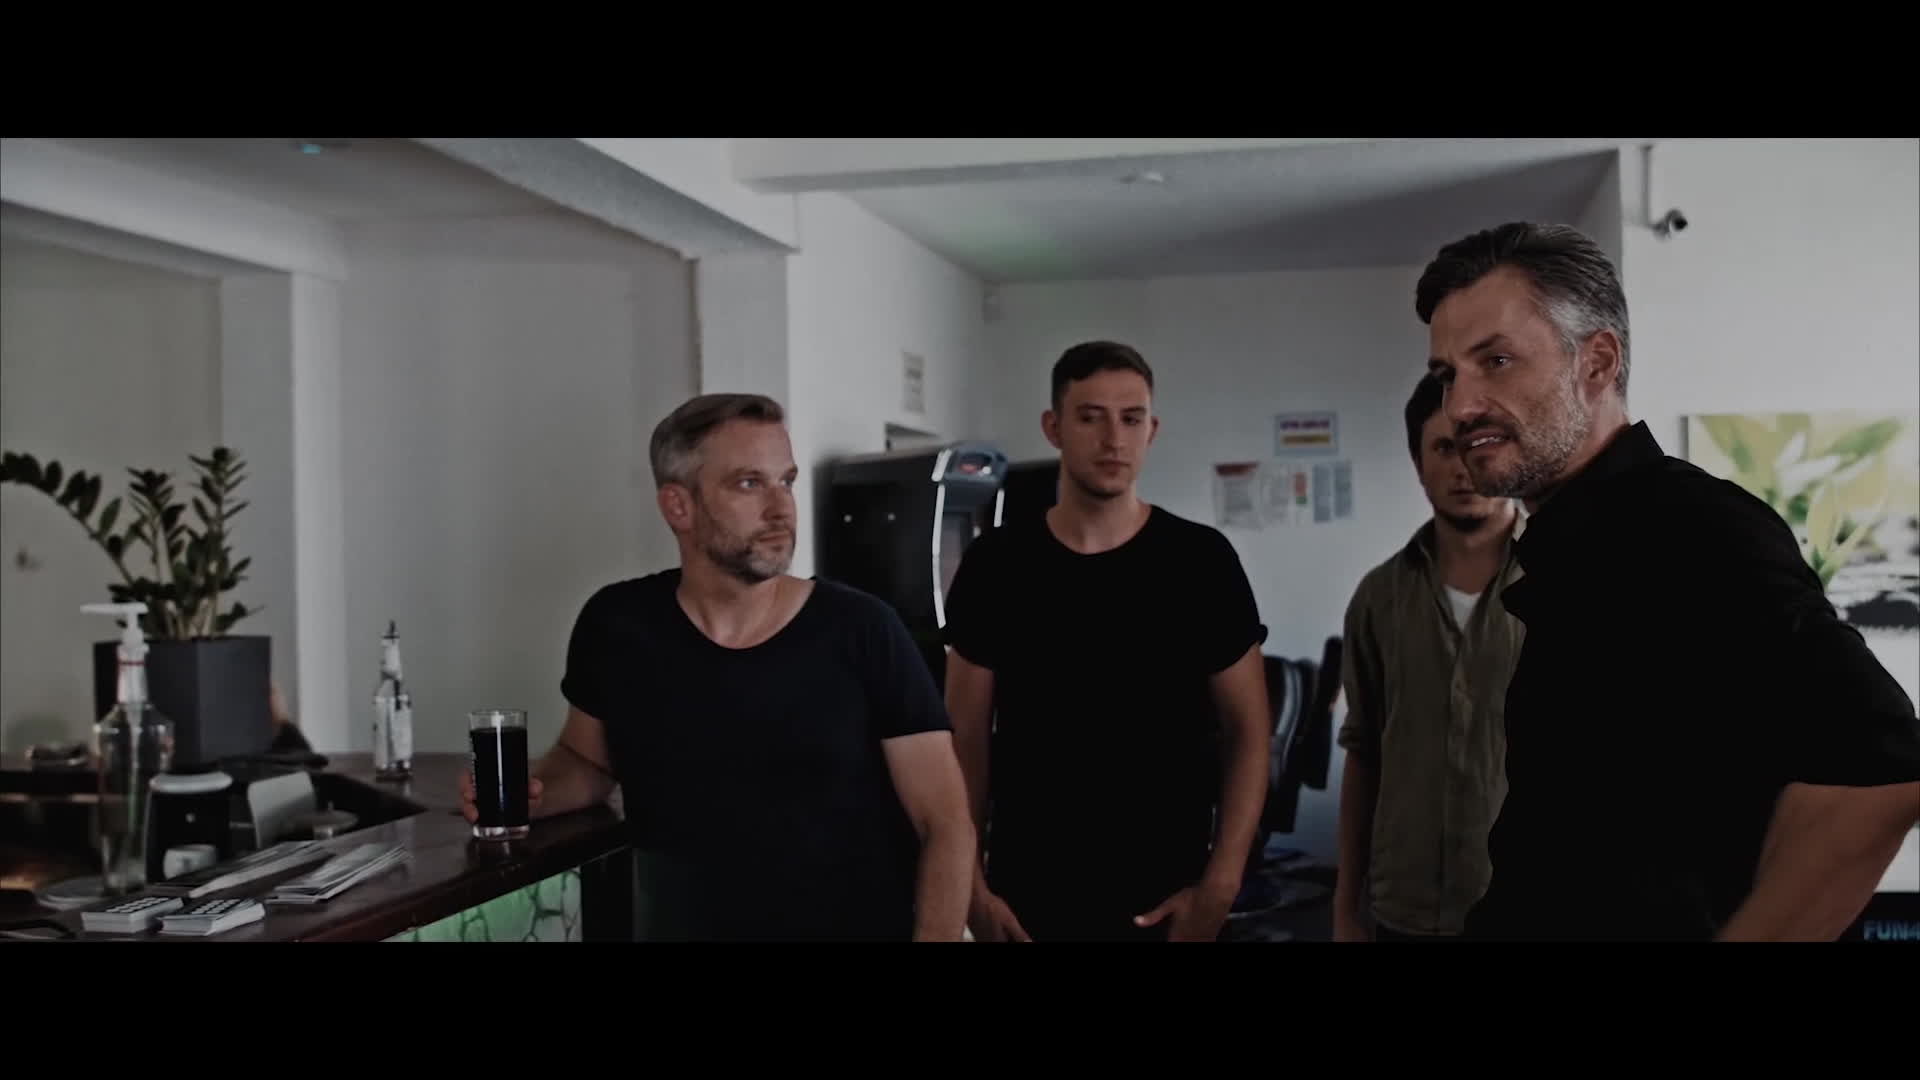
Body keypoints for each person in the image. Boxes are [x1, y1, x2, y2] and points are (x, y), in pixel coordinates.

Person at [1415, 221, 1920, 941]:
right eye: (1447, 376)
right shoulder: (1575, 548)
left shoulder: (1688, 527)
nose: (1460, 406)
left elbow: (1881, 766)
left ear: (1597, 363)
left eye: (1495, 360)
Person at [461, 393, 975, 941]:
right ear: (678, 506)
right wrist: (533, 792)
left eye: (786, 481)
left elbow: (945, 824)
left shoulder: (864, 631)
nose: (781, 510)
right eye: (750, 484)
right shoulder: (618, 625)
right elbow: (586, 760)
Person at [942, 341, 1271, 942]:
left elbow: (1249, 732)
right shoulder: (997, 565)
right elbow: (965, 740)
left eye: (1131, 418)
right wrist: (970, 888)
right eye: (1091, 417)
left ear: (1152, 430)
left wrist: (1222, 884)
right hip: (1030, 899)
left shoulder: (1201, 562)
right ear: (1054, 428)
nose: (1114, 439)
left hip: (1166, 898)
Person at [1333, 373, 1526, 942]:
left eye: (1477, 444)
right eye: (1443, 447)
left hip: (1530, 903)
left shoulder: (1565, 584)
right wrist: (1345, 907)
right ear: (1418, 465)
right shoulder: (1378, 598)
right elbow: (1363, 754)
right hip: (1405, 907)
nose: (1463, 465)